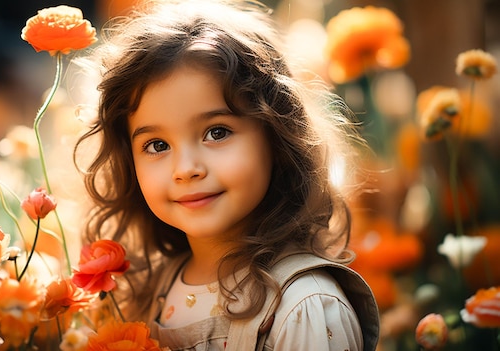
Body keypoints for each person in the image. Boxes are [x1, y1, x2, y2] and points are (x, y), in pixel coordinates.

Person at [71, 0, 380, 350]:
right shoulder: (150, 289)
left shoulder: (302, 306)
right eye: (157, 145)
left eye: (216, 132)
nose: (186, 169)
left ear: (276, 135)